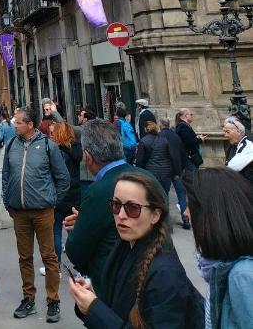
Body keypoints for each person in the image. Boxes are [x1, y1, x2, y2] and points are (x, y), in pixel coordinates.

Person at [69, 172, 204, 327]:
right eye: (116, 205)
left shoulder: (165, 273)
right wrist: (89, 301)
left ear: (155, 215)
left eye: (132, 208)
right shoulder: (125, 245)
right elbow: (117, 307)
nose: (121, 215)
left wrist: (94, 309)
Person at [64, 119, 163, 293]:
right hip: (156, 275)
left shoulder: (99, 190)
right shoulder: (148, 178)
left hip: (117, 282)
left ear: (88, 157)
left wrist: (78, 227)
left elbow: (76, 250)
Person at [2, 106, 70, 323]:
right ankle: (28, 298)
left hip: (43, 211)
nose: (15, 125)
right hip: (19, 212)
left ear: (30, 124)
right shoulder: (12, 144)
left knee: (49, 257)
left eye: (18, 122)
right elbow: (6, 176)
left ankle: (53, 300)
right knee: (25, 257)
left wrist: (52, 201)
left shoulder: (48, 146)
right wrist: (8, 200)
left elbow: (63, 178)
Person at [186, 166, 253, 329]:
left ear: (213, 215)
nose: (186, 213)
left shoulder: (241, 276)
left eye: (191, 207)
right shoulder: (222, 266)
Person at [44, 120, 81, 274]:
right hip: (74, 195)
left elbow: (56, 175)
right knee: (75, 232)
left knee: (56, 232)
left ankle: (56, 266)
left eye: (53, 133)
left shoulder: (58, 152)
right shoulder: (75, 151)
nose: (50, 135)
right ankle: (82, 269)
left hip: (60, 196)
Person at [223, 116, 253, 181]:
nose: (225, 135)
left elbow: (231, 168)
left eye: (228, 132)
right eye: (224, 132)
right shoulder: (236, 142)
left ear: (239, 132)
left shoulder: (248, 145)